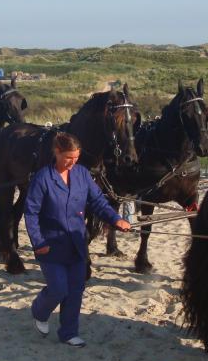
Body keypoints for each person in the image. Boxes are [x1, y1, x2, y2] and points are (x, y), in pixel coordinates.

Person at [24, 132, 131, 347]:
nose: (72, 162)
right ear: (56, 152)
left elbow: (98, 202)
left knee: (75, 289)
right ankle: (39, 310)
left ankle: (69, 332)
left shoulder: (82, 174)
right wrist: (38, 242)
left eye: (76, 158)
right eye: (68, 158)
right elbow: (31, 212)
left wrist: (116, 219)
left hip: (77, 243)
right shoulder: (43, 178)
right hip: (50, 245)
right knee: (58, 289)